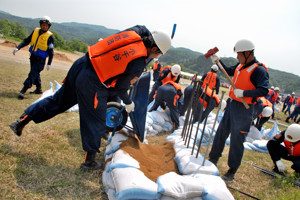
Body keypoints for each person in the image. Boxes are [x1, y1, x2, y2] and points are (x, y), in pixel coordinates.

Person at [9, 25, 172, 170]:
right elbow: (120, 88)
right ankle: (89, 162)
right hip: (93, 80)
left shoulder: (138, 30)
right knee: (95, 118)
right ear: (155, 49)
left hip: (83, 63)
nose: (156, 57)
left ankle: (21, 121)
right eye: (158, 54)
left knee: (57, 101)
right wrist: (128, 103)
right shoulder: (138, 63)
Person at [208, 39, 269, 181]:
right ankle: (213, 158)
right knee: (221, 131)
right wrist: (218, 61)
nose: (237, 57)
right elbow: (229, 71)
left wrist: (244, 93)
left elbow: (264, 90)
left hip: (244, 109)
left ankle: (232, 170)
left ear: (248, 53)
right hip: (232, 104)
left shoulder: (258, 70)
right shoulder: (240, 65)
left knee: (237, 139)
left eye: (239, 54)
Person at [12, 16, 54, 99]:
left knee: (32, 74)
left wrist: (49, 63)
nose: (44, 26)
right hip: (33, 57)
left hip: (41, 60)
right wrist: (18, 47)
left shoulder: (50, 37)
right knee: (35, 73)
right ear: (40, 24)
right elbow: (27, 40)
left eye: (46, 25)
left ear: (48, 26)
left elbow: (51, 51)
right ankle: (39, 89)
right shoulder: (35, 31)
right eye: (43, 24)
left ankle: (23, 91)